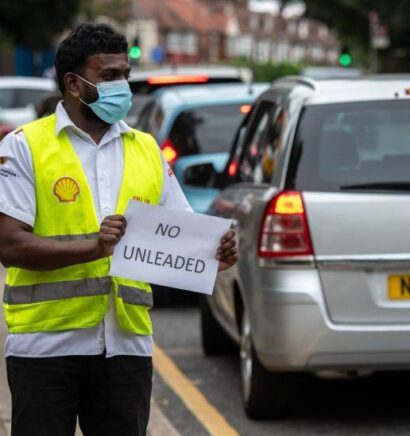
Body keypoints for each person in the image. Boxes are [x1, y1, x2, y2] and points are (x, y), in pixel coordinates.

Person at [0, 23, 238, 436]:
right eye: (109, 76)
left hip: (126, 348)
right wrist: (96, 246)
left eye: (125, 74)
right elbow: (10, 244)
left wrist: (214, 254)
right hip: (45, 348)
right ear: (74, 84)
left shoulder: (146, 148)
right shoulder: (24, 146)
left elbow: (182, 239)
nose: (122, 85)